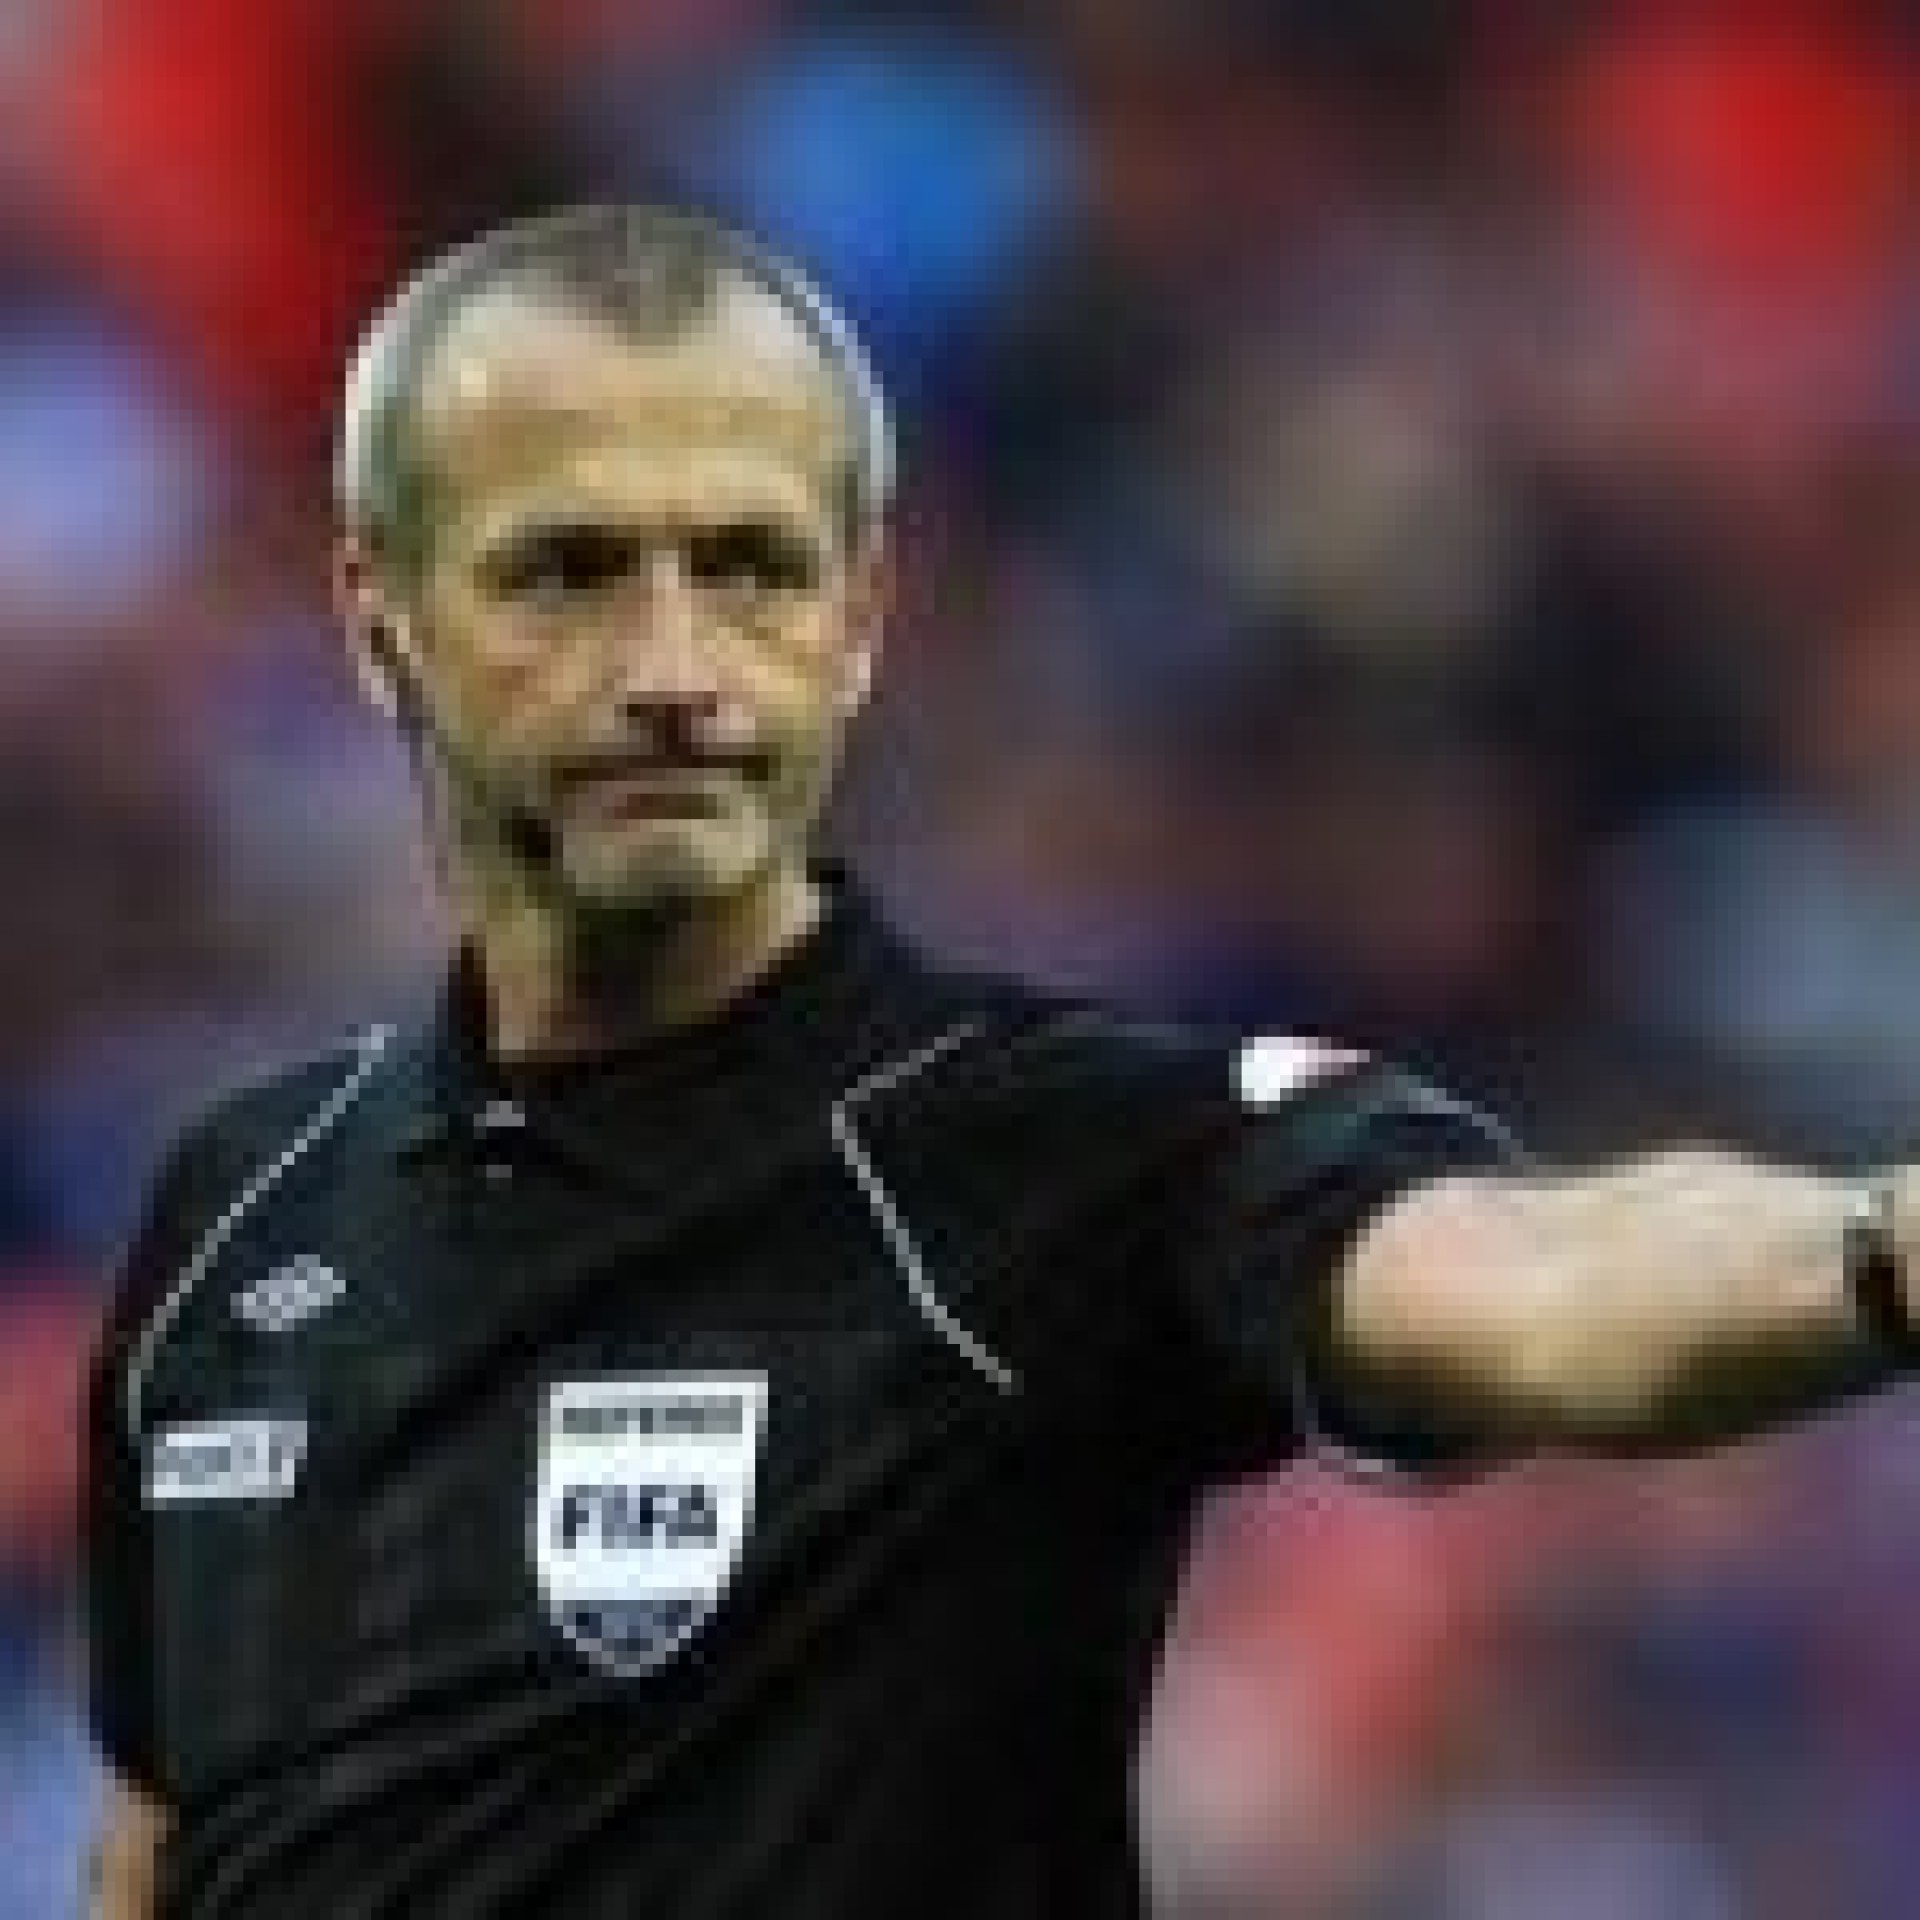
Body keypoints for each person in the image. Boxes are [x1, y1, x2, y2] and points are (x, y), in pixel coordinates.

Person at [79, 203, 1920, 1920]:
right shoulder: (240, 1206)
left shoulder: (1057, 1154)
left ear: (862, 620)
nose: (673, 666)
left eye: (750, 568)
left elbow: (1541, 1284)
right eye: (565, 572)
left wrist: (1880, 1248)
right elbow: (163, 1840)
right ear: (377, 612)